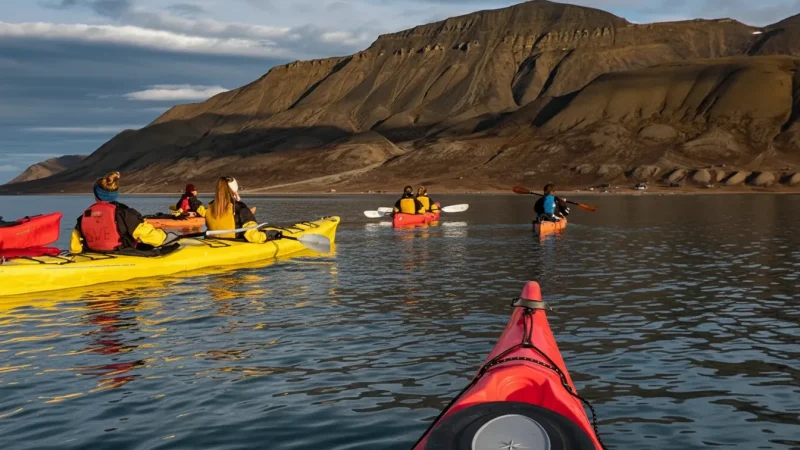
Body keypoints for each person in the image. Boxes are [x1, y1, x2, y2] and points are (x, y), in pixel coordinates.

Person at [70, 171, 171, 254]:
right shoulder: (126, 214)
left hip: (93, 254)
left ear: (96, 195)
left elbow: (75, 248)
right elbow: (156, 239)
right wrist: (164, 235)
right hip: (121, 254)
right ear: (115, 194)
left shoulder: (83, 217)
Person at [205, 176, 281, 243]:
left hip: (213, 242)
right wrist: (269, 235)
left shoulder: (209, 207)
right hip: (233, 245)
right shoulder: (240, 208)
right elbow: (253, 237)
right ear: (235, 191)